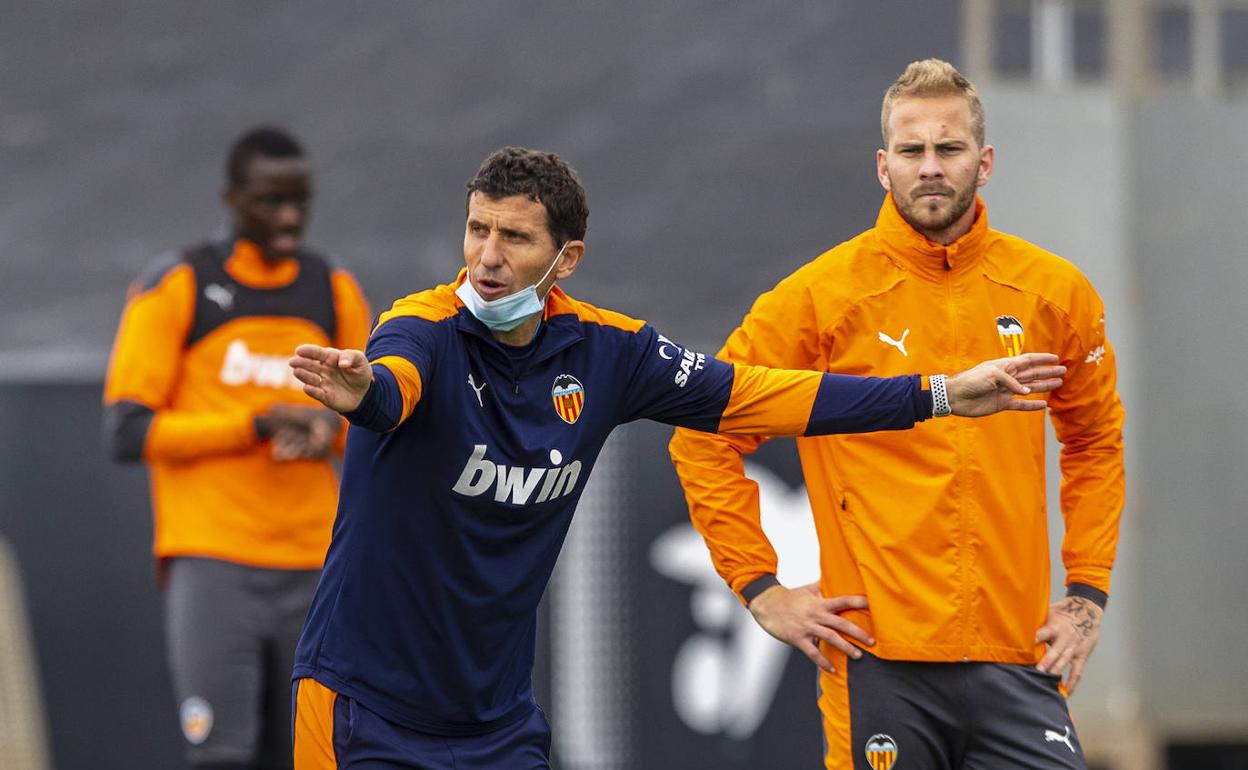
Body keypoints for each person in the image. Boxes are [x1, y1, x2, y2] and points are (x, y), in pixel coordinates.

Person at [285, 145, 1065, 769]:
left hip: (493, 720)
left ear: (567, 258)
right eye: (477, 230)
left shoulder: (608, 352)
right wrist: (366, 396)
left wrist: (936, 395)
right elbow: (394, 386)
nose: (487, 257)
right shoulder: (422, 325)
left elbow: (768, 395)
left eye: (514, 237)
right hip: (365, 705)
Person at [669, 58, 1126, 770]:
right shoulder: (819, 301)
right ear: (884, 167)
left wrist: (1087, 595)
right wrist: (759, 589)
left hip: (1018, 655)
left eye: (950, 148)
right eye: (912, 151)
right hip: (879, 661)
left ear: (986, 160)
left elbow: (1096, 442)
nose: (931, 167)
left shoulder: (1053, 293)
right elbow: (702, 427)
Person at [102, 126, 372, 770]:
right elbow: (127, 431)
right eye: (269, 201)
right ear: (231, 198)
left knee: (313, 755)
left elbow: (374, 415)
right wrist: (250, 425)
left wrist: (325, 428)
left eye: (300, 201)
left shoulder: (331, 289)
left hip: (314, 560)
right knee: (223, 754)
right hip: (214, 562)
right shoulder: (181, 284)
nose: (288, 217)